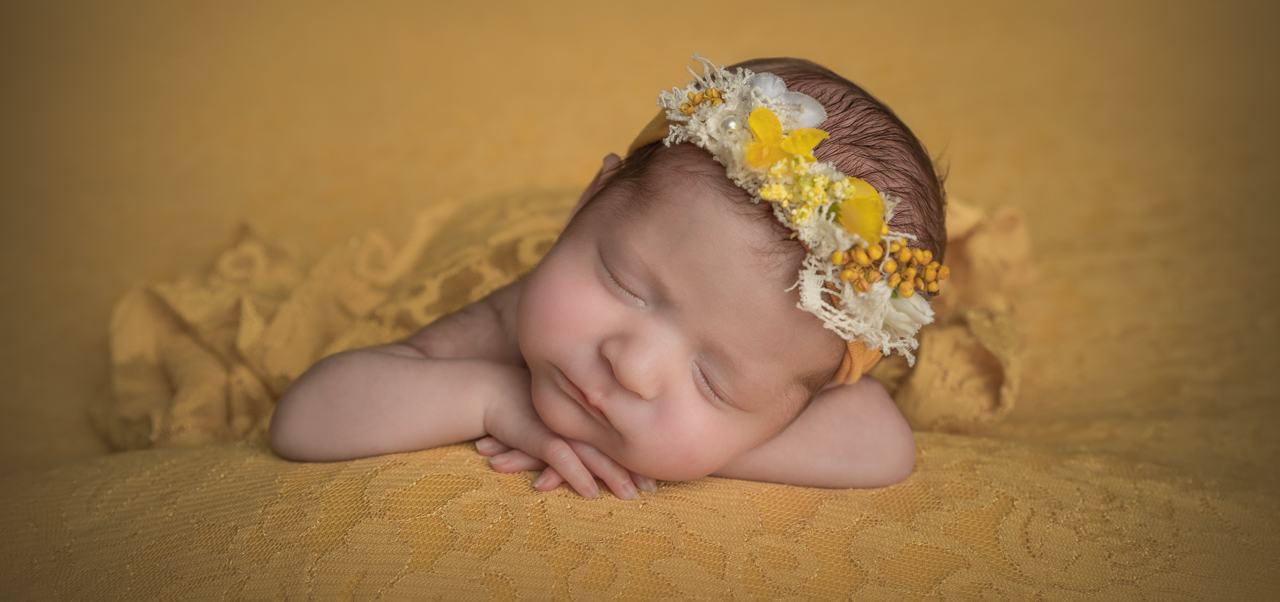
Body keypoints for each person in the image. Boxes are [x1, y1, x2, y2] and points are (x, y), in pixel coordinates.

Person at [269, 56, 948, 500]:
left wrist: (689, 449)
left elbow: (881, 445)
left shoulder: (787, 365)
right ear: (588, 203)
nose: (632, 367)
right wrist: (493, 397)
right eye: (625, 284)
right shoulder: (510, 320)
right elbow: (306, 417)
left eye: (714, 383)